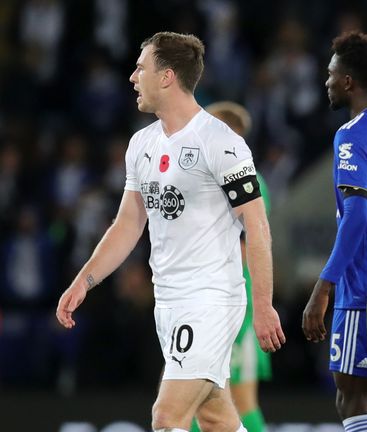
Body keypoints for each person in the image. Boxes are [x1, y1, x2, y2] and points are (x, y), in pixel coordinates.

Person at [55, 32, 285, 432]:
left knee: (166, 417)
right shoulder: (141, 144)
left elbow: (257, 225)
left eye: (141, 67)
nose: (132, 77)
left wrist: (262, 305)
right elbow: (128, 224)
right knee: (216, 419)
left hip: (211, 299)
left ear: (167, 76)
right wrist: (84, 280)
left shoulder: (222, 143)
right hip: (170, 301)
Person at [301, 31, 367, 432]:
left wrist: (323, 288)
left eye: (330, 74)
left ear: (347, 81)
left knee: (351, 397)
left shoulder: (351, 135)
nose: (326, 81)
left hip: (360, 288)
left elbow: (357, 218)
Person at [186, 101, 273, 432]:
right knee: (197, 397)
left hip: (229, 304)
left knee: (235, 399)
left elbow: (247, 244)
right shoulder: (214, 178)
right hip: (207, 302)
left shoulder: (242, 180)